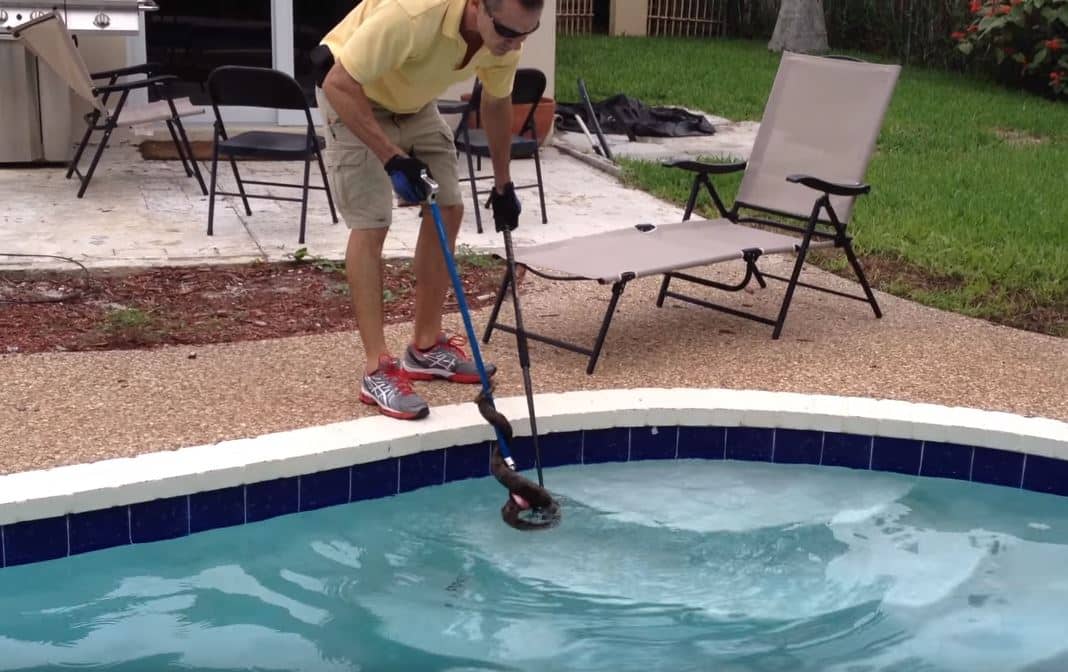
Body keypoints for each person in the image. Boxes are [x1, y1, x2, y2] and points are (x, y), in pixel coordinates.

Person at [314, 0, 544, 420]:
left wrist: (503, 183)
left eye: (528, 33)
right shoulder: (413, 15)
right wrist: (392, 158)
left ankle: (424, 346)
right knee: (372, 224)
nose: (516, 43)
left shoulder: (505, 38)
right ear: (477, 6)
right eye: (509, 33)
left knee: (450, 208)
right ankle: (376, 368)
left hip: (413, 104)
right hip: (352, 95)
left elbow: (494, 103)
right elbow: (337, 82)